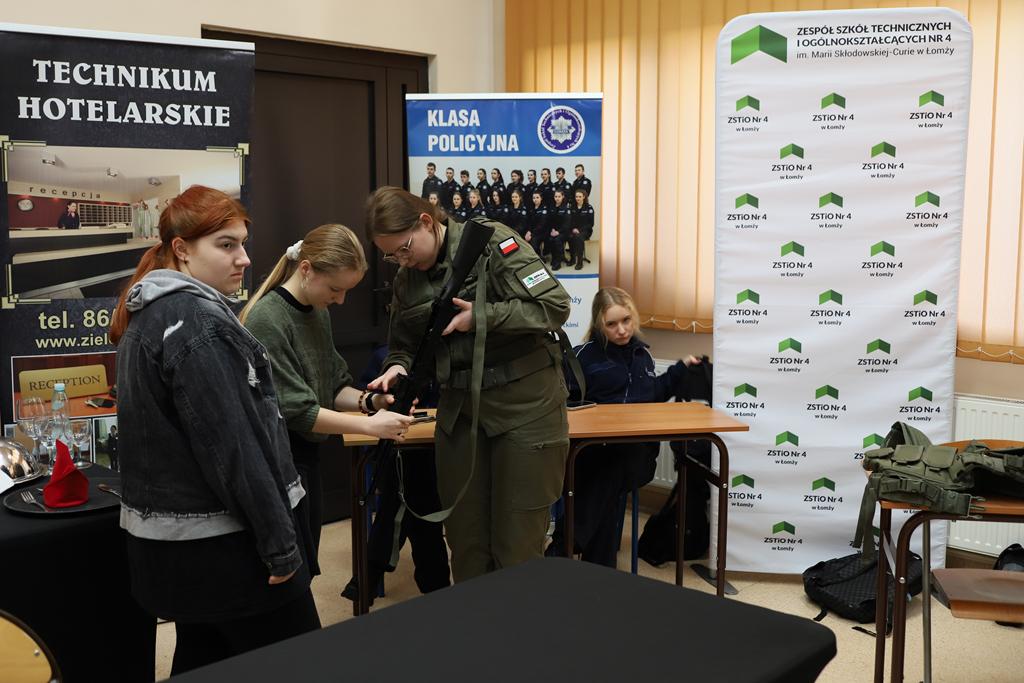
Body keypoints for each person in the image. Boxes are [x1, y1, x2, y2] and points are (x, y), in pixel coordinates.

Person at [108, 185, 321, 674]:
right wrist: (281, 549)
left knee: (204, 657)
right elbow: (236, 451)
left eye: (242, 243)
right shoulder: (198, 324)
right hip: (229, 552)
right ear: (182, 250)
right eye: (226, 245)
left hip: (183, 551)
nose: (243, 258)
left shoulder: (151, 313)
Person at [365, 186, 571, 583]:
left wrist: (481, 316)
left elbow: (554, 306)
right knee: (466, 541)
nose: (401, 261)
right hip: (461, 413)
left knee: (518, 543)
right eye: (391, 255)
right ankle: (475, 622)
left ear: (426, 222)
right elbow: (403, 345)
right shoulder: (407, 280)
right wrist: (397, 368)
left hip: (527, 408)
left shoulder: (495, 243)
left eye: (404, 249)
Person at [239, 224, 413, 580]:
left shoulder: (317, 312)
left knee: (306, 561)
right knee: (290, 571)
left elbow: (332, 386)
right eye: (335, 289)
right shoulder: (267, 319)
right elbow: (299, 411)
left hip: (306, 457)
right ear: (306, 269)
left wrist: (374, 402)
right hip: (280, 459)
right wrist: (370, 425)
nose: (341, 300)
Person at [549, 287, 699, 567]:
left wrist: (679, 370)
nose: (621, 330)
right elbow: (563, 403)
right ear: (599, 324)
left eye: (626, 320)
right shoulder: (582, 357)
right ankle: (599, 569)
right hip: (592, 452)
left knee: (611, 471)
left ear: (634, 317)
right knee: (607, 489)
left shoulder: (643, 357)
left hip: (637, 455)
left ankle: (565, 543)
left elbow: (653, 395)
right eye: (612, 324)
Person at [340, 343, 451, 606]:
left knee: (405, 502)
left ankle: (367, 578)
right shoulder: (386, 357)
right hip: (394, 454)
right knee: (418, 502)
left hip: (435, 455)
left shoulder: (447, 355)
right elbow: (366, 404)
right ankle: (435, 584)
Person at [569, 189, 595, 270]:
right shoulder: (572, 207)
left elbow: (590, 223)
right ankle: (573, 259)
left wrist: (579, 230)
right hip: (574, 229)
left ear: (584, 197)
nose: (578, 198)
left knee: (578, 237)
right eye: (576, 196)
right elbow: (570, 220)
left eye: (580, 196)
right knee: (570, 236)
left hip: (586, 230)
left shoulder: (589, 208)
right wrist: (573, 228)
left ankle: (579, 262)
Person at [548, 189, 572, 271]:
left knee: (557, 240)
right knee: (550, 239)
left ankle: (558, 262)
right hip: (554, 231)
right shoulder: (552, 207)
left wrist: (558, 232)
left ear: (563, 197)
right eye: (556, 196)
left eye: (559, 196)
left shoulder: (566, 208)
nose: (557, 198)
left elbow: (567, 224)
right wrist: (552, 230)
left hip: (564, 231)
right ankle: (555, 258)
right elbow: (550, 221)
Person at [525, 190, 550, 258]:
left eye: (537, 197)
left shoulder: (544, 209)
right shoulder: (531, 208)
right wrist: (528, 231)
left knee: (533, 241)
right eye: (534, 198)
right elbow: (529, 222)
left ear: (541, 198)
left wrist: (531, 233)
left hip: (542, 232)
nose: (535, 199)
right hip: (533, 231)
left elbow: (542, 225)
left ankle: (537, 257)